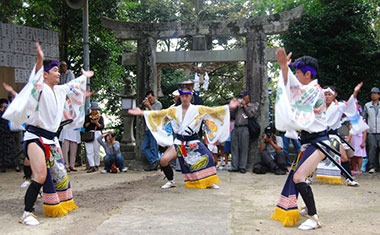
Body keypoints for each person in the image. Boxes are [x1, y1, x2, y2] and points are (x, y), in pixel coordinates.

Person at [2, 42, 93, 225]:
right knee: (41, 176)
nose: (59, 73)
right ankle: (27, 213)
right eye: (55, 71)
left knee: (59, 175)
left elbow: (72, 85)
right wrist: (39, 60)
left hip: (51, 140)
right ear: (45, 74)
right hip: (35, 137)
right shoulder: (40, 88)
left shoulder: (59, 90)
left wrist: (83, 77)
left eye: (59, 71)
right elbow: (35, 78)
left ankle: (52, 201)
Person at [128, 87, 239, 189]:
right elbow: (159, 114)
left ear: (191, 96)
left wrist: (229, 107)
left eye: (187, 96)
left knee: (209, 157)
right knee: (163, 160)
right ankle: (171, 181)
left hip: (193, 140)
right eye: (183, 96)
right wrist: (142, 112)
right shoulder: (174, 110)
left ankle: (209, 181)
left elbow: (214, 111)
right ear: (180, 97)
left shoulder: (198, 109)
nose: (185, 98)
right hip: (179, 141)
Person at [271, 48, 328, 230]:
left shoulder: (315, 90)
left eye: (297, 72)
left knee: (299, 176)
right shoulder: (308, 89)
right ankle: (309, 210)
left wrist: (284, 69)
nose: (295, 76)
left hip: (319, 143)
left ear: (308, 74)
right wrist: (284, 70)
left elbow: (296, 97)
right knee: (298, 176)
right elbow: (293, 92)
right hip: (309, 143)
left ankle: (314, 217)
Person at [323, 83, 363, 186]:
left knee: (344, 157)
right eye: (325, 94)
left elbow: (350, 104)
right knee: (313, 156)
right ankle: (307, 176)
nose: (327, 96)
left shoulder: (339, 106)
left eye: (329, 94)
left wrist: (355, 92)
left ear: (334, 95)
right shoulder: (319, 105)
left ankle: (349, 178)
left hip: (332, 135)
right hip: (320, 136)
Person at [228, 90, 255, 174]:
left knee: (244, 148)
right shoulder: (238, 107)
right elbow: (231, 116)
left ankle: (242, 167)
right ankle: (234, 166)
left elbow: (251, 115)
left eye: (244, 97)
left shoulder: (251, 106)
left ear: (248, 98)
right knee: (234, 147)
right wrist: (234, 106)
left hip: (245, 128)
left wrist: (245, 106)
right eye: (241, 97)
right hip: (235, 128)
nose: (242, 98)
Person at [141, 90, 162, 171]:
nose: (149, 100)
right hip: (148, 128)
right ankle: (154, 161)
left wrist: (149, 106)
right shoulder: (147, 105)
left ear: (154, 96)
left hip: (155, 129)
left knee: (153, 147)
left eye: (150, 98)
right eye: (148, 99)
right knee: (144, 147)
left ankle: (155, 164)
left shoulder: (158, 104)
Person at [363, 87, 380, 173]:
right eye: (372, 94)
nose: (373, 95)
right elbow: (364, 118)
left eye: (375, 93)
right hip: (371, 131)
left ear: (379, 95)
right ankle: (372, 166)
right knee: (372, 149)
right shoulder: (367, 105)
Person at [83, 102, 104, 173]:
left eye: (94, 109)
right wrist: (90, 122)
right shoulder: (87, 117)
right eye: (92, 109)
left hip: (97, 133)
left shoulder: (100, 117)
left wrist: (96, 123)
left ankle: (97, 165)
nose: (93, 111)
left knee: (96, 150)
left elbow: (102, 127)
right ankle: (91, 166)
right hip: (89, 133)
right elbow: (84, 126)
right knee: (89, 150)